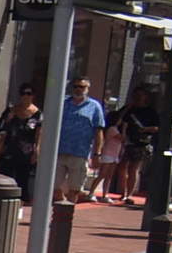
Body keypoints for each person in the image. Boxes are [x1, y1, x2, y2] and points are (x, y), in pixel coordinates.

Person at [56, 77, 107, 209]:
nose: (78, 89)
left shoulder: (94, 106)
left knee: (75, 188)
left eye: (82, 87)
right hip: (59, 151)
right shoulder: (63, 103)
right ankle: (63, 206)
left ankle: (67, 214)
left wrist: (97, 154)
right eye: (76, 86)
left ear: (88, 89)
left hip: (80, 152)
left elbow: (99, 131)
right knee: (53, 186)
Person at [0, 88, 43, 210]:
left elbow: (39, 134)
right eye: (23, 93)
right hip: (8, 150)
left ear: (33, 96)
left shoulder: (38, 114)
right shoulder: (11, 110)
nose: (25, 96)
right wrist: (7, 119)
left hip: (26, 152)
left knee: (22, 179)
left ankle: (19, 207)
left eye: (29, 94)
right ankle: (2, 204)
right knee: (5, 177)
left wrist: (37, 151)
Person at [113, 85, 160, 205]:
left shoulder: (150, 111)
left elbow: (156, 127)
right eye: (135, 95)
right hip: (126, 141)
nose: (137, 98)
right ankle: (124, 192)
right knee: (121, 168)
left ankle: (129, 194)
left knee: (134, 169)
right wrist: (127, 108)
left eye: (140, 95)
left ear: (145, 97)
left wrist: (145, 129)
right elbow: (116, 120)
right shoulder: (129, 109)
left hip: (141, 142)